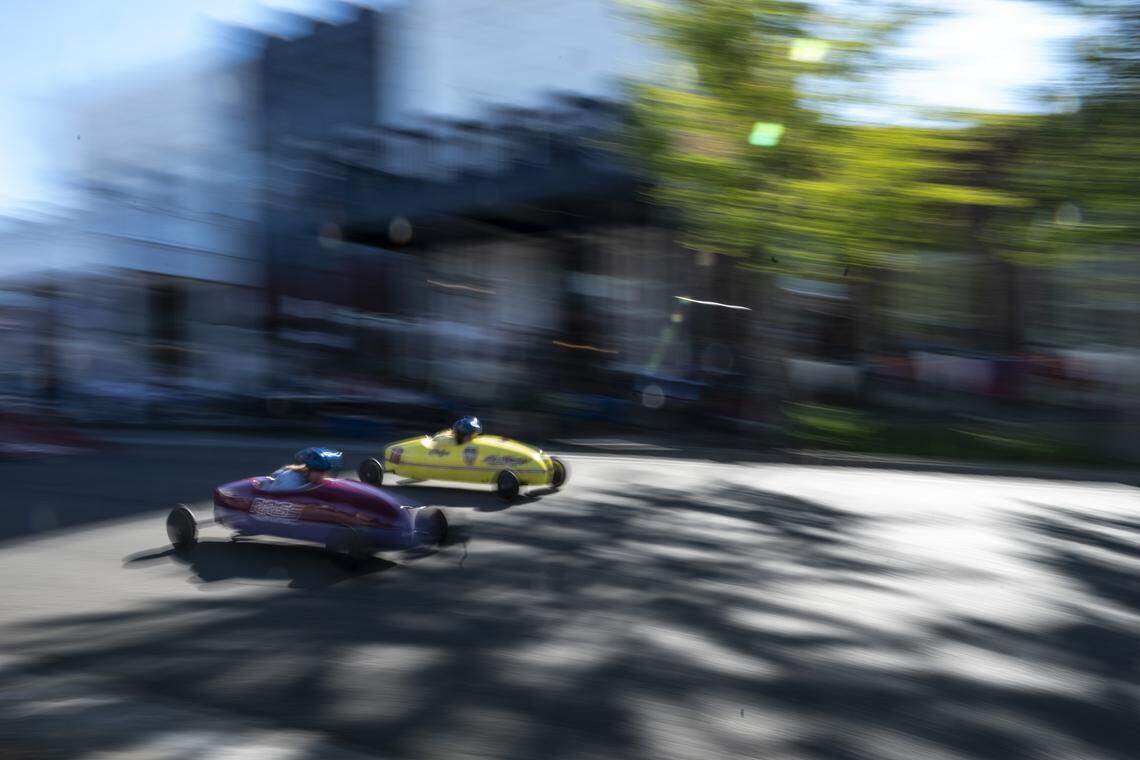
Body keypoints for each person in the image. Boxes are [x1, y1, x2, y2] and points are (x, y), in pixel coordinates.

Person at [262, 446, 343, 492]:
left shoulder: (312, 479)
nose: (325, 476)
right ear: (309, 469)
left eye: (327, 472)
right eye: (320, 472)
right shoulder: (289, 483)